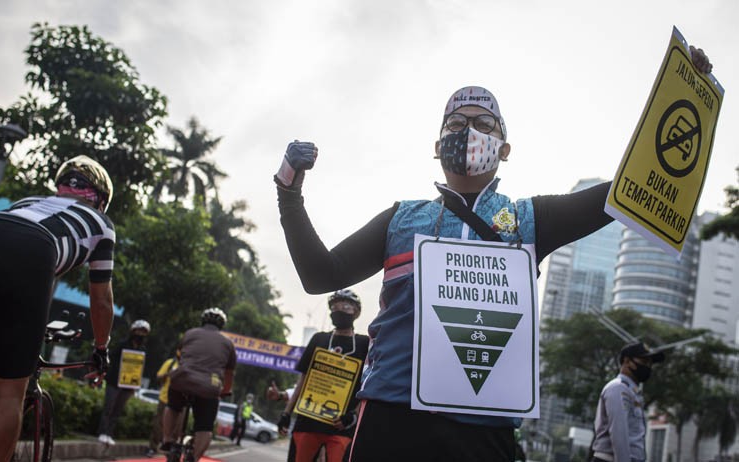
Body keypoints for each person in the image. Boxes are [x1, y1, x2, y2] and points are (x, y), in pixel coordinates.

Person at [273, 48, 713, 461]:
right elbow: (319, 274)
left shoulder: (529, 221)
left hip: (485, 429)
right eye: (455, 122)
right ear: (435, 145)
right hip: (392, 415)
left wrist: (683, 94)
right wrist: (289, 190)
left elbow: (627, 191)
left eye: (485, 123)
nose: (468, 130)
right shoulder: (401, 220)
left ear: (505, 149)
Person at [0, 155, 115, 462]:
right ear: (101, 199)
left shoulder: (32, 200)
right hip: (30, 254)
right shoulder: (102, 224)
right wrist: (101, 347)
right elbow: (100, 300)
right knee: (9, 392)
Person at [277, 290, 370, 462]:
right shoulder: (319, 339)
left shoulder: (365, 344)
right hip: (307, 423)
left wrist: (353, 416)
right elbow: (302, 380)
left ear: (356, 312)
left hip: (341, 427)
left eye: (346, 306)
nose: (339, 309)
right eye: (334, 306)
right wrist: (286, 413)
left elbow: (368, 385)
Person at [162, 307, 236, 461]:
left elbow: (179, 357)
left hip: (181, 380)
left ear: (202, 321)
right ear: (221, 326)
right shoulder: (228, 344)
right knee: (205, 426)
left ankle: (167, 440)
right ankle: (194, 457)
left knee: (173, 407)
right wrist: (225, 391)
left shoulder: (189, 334)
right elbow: (229, 374)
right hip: (209, 387)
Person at [590, 342, 665, 462]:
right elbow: (619, 433)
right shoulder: (618, 388)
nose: (648, 367)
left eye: (650, 364)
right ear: (627, 361)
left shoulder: (633, 392)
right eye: (644, 362)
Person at [98, 318, 151, 445]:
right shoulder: (122, 345)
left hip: (128, 385)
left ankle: (109, 433)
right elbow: (111, 358)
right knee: (109, 407)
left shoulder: (142, 350)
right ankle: (102, 432)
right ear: (133, 331)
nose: (140, 335)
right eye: (138, 331)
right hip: (114, 381)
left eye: (144, 332)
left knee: (117, 410)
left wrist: (134, 385)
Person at [147, 345, 180, 457]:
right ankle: (152, 447)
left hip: (179, 401)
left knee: (176, 428)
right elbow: (159, 377)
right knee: (158, 424)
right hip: (164, 398)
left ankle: (171, 451)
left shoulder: (188, 366)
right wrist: (168, 374)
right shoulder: (170, 363)